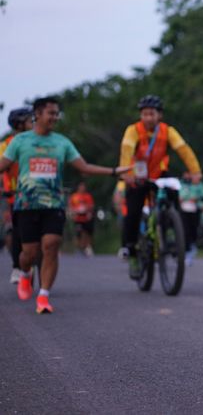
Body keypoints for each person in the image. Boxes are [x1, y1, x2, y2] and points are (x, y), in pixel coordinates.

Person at [0, 97, 131, 313]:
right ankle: (25, 273)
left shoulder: (62, 143)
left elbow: (84, 167)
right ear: (38, 114)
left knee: (51, 245)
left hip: (54, 204)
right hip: (26, 205)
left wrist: (114, 171)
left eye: (57, 113)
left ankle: (44, 296)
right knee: (29, 253)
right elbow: (3, 165)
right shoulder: (20, 141)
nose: (55, 117)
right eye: (51, 113)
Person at [119, 95, 202, 279]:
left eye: (152, 114)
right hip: (137, 175)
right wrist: (126, 174)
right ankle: (131, 250)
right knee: (133, 211)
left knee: (173, 197)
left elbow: (183, 150)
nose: (148, 118)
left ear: (159, 115)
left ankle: (171, 231)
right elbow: (126, 150)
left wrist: (195, 171)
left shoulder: (167, 131)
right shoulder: (133, 130)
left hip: (159, 173)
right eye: (145, 114)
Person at [0, 106, 33, 283]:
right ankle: (16, 267)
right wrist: (5, 189)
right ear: (19, 125)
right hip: (15, 195)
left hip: (36, 194)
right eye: (29, 120)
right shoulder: (6, 145)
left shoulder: (37, 141)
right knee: (17, 231)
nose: (33, 123)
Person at [179, 172, 203, 266]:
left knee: (193, 231)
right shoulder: (181, 184)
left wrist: (196, 198)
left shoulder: (199, 185)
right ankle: (186, 251)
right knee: (185, 231)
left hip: (194, 211)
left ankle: (192, 248)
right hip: (183, 211)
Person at [68, 182, 95, 257]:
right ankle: (79, 248)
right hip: (78, 218)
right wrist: (73, 213)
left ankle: (88, 248)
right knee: (78, 234)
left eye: (83, 187)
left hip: (86, 218)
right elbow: (70, 207)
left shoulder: (88, 196)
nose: (82, 188)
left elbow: (91, 206)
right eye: (81, 187)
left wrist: (88, 210)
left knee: (87, 233)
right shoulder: (74, 196)